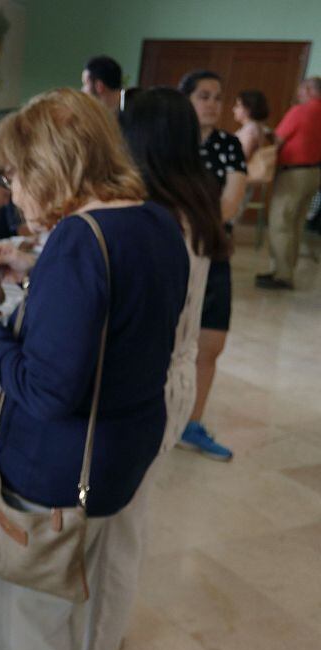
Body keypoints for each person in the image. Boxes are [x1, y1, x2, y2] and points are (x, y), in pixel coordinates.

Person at [0, 87, 188, 650]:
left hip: (56, 472)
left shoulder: (81, 240)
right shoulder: (155, 220)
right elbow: (118, 319)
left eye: (15, 175)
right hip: (119, 454)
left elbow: (44, 389)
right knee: (60, 610)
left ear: (53, 165)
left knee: (23, 629)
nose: (15, 192)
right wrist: (36, 274)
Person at [80, 87, 224, 650]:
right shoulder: (191, 203)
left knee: (116, 531)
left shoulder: (159, 218)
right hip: (172, 379)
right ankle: (102, 642)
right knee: (126, 526)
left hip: (151, 383)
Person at [178, 69, 246, 462]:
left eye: (218, 97)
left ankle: (192, 423)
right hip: (174, 252)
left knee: (211, 343)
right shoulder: (172, 144)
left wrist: (201, 231)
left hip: (212, 251)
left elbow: (231, 201)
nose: (213, 104)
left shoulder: (229, 145)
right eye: (204, 95)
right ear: (186, 99)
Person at [257, 76, 321, 290]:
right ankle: (287, 271)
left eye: (301, 90)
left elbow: (278, 139)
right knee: (296, 223)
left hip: (294, 173)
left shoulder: (300, 111)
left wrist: (265, 132)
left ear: (310, 90)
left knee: (281, 222)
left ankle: (282, 275)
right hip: (314, 173)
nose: (298, 94)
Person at [233, 89, 271, 161]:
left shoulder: (251, 129)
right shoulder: (254, 127)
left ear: (248, 109)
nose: (234, 109)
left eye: (238, 106)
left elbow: (242, 157)